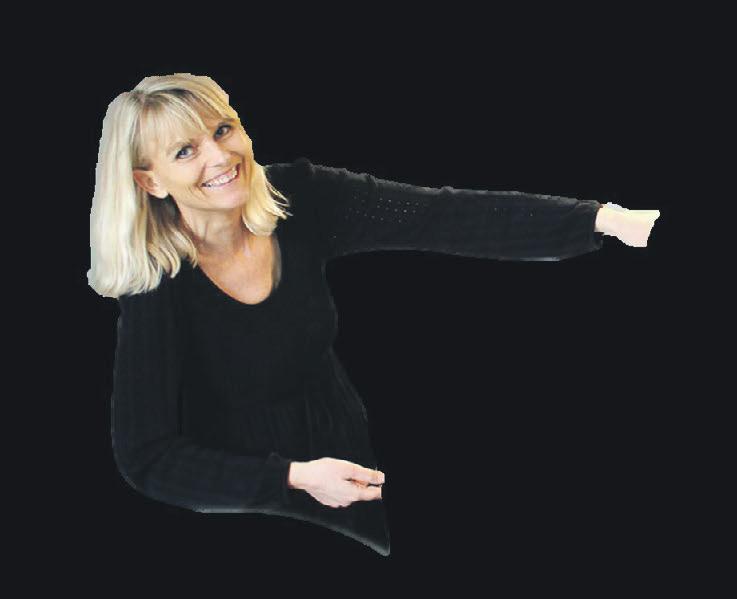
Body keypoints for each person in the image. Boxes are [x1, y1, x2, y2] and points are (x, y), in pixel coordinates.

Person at [89, 73, 660, 556]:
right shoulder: (156, 286)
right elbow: (148, 457)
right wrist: (292, 478)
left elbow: (441, 215)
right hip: (247, 502)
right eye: (185, 151)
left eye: (223, 130)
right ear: (149, 181)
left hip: (347, 457)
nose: (219, 157)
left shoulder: (299, 198)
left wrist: (603, 219)